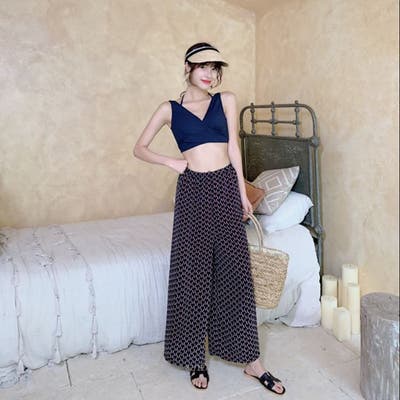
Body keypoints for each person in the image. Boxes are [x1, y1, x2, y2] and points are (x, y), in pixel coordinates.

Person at [133, 42, 285, 395]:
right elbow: (139, 148)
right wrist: (171, 162)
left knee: (235, 272)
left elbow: (233, 148)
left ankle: (252, 362)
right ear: (187, 67)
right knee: (192, 272)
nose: (210, 74)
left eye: (215, 68)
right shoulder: (170, 109)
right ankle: (194, 357)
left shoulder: (226, 100)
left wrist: (242, 192)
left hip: (224, 185)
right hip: (192, 189)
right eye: (203, 66)